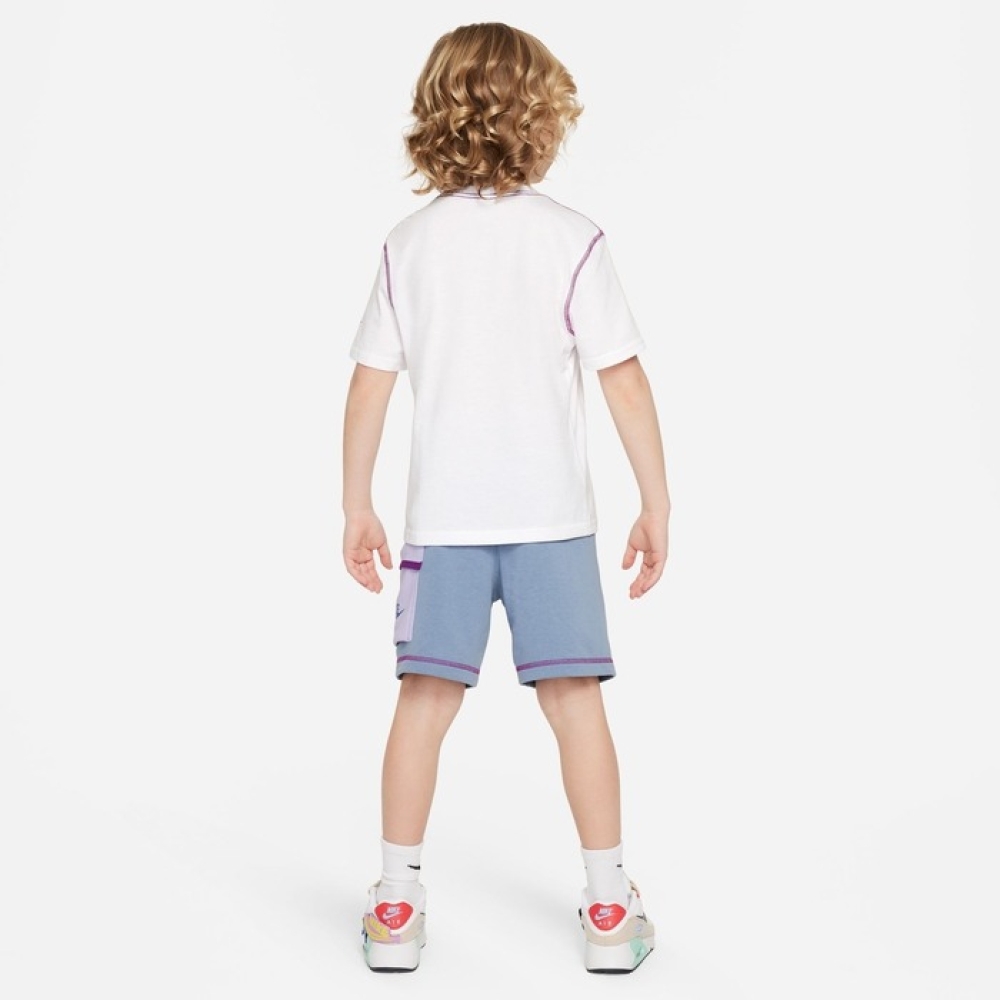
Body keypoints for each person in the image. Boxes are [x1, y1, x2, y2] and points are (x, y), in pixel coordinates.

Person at [342, 21, 671, 974]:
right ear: (543, 118)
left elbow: (370, 384)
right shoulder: (572, 240)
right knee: (576, 703)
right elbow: (624, 381)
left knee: (423, 701)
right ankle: (608, 906)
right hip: (553, 526)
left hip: (440, 529)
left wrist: (357, 504)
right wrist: (656, 502)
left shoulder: (409, 246)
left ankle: (395, 903)